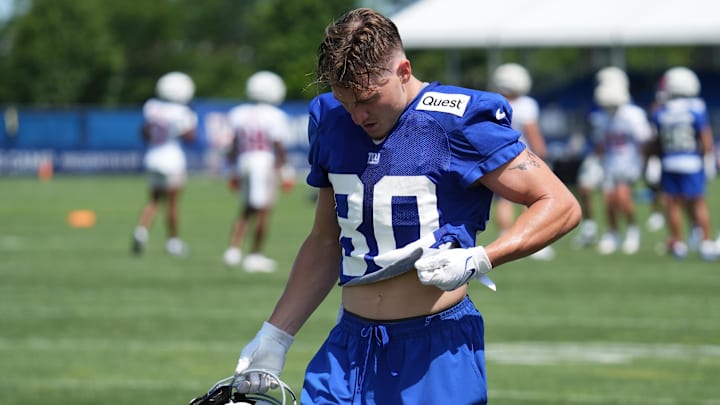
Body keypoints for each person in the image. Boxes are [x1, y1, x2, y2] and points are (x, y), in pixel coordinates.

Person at [230, 8, 580, 405]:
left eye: (368, 99)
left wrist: (481, 257)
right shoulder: (330, 118)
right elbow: (326, 241)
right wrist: (277, 335)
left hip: (435, 351)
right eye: (347, 102)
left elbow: (560, 204)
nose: (358, 115)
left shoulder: (458, 120)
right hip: (349, 349)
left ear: (403, 71)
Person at [223, 71, 296, 273]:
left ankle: (233, 250)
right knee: (264, 210)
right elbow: (278, 145)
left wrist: (231, 170)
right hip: (264, 164)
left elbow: (234, 145)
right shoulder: (275, 115)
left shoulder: (238, 113)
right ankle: (255, 254)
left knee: (246, 208)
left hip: (243, 162)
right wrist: (286, 171)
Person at [649, 66, 717, 260]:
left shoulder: (661, 112)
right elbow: (705, 139)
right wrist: (707, 159)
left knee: (673, 204)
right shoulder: (696, 109)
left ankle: (678, 243)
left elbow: (658, 141)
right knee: (698, 203)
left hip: (670, 161)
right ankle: (705, 242)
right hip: (691, 161)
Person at [490, 63, 554, 260]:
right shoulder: (526, 105)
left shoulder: (492, 101)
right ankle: (535, 243)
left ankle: (504, 237)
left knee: (504, 200)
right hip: (523, 156)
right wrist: (542, 154)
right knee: (534, 199)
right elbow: (533, 133)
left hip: (499, 157)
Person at [131, 71, 197, 257]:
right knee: (172, 203)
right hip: (172, 158)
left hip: (152, 157)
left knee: (154, 200)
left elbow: (144, 132)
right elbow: (191, 137)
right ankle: (173, 242)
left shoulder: (152, 107)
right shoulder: (182, 112)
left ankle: (141, 230)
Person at [588, 80, 652, 255]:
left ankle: (632, 231)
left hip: (629, 163)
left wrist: (646, 163)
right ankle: (612, 233)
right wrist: (596, 162)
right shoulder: (601, 117)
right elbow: (600, 143)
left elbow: (645, 140)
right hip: (609, 164)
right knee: (608, 201)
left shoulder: (633, 115)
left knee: (623, 198)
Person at [573, 66, 629, 249]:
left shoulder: (628, 112)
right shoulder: (596, 109)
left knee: (614, 197)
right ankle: (590, 227)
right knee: (585, 188)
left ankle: (619, 231)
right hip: (598, 156)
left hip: (619, 159)